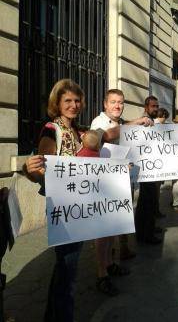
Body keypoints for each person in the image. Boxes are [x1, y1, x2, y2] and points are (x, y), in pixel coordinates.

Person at [23, 79, 85, 322]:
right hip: (63, 206)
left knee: (67, 269)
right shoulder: (52, 129)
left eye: (77, 100)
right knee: (67, 269)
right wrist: (30, 169)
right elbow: (40, 170)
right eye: (67, 100)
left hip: (78, 205)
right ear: (57, 103)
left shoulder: (78, 131)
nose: (73, 105)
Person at [91, 89, 153, 295]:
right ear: (104, 104)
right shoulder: (99, 123)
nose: (117, 106)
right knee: (101, 232)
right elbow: (105, 138)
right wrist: (136, 122)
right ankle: (101, 275)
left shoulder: (121, 123)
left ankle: (109, 264)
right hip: (103, 186)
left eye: (121, 102)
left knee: (111, 231)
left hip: (120, 183)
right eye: (113, 102)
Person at [135, 96, 163, 244]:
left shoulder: (153, 122)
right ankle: (145, 234)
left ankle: (147, 230)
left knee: (148, 201)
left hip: (152, 168)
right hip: (146, 170)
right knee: (147, 202)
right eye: (153, 106)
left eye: (157, 106)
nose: (156, 109)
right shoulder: (143, 122)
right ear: (146, 107)